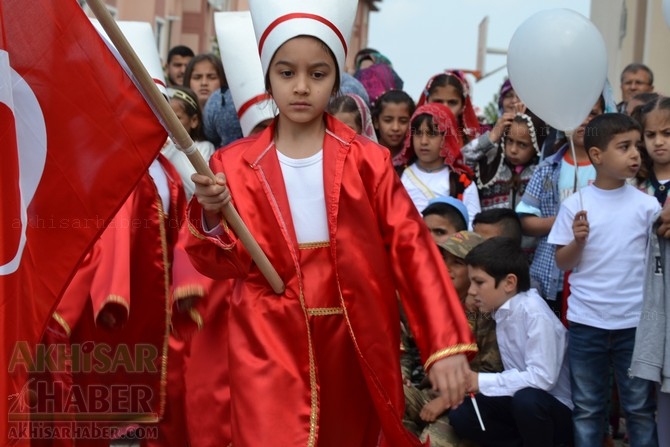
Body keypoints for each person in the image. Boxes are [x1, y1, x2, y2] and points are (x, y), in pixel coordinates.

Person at [185, 1, 477, 445]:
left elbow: (411, 247)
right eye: (286, 73)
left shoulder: (367, 161)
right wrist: (210, 214)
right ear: (268, 79)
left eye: (317, 75)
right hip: (266, 336)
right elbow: (213, 260)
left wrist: (445, 342)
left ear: (336, 81)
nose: (301, 87)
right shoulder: (233, 163)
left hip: (354, 335)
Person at [547, 113, 659, 447]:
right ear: (596, 156)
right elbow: (563, 263)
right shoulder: (575, 206)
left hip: (633, 324)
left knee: (639, 408)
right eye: (624, 147)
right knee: (587, 408)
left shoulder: (648, 206)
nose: (635, 155)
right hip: (587, 325)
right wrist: (578, 241)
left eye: (636, 146)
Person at [449, 237, 573, 446]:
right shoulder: (502, 310)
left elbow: (543, 379)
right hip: (521, 403)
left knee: (528, 400)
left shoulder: (534, 313)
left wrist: (480, 381)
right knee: (463, 413)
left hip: (552, 411)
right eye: (471, 282)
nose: (471, 291)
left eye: (479, 282)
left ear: (509, 283)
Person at [403, 231, 502, 447]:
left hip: (467, 404)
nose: (445, 267)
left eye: (456, 262)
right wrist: (402, 376)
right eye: (442, 258)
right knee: (388, 397)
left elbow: (492, 374)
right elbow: (402, 346)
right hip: (428, 392)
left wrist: (445, 401)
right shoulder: (427, 301)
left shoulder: (486, 313)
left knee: (433, 442)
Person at [515, 97, 604, 314]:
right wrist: (563, 222)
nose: (585, 121)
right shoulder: (547, 168)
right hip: (548, 278)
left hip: (595, 282)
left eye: (592, 113)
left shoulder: (609, 171)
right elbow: (526, 222)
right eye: (578, 114)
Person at [630, 96, 670, 447]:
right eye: (651, 134)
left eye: (668, 133)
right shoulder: (635, 187)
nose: (659, 142)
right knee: (648, 394)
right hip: (643, 297)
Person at [396, 102, 481, 227]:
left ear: (446, 138)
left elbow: (472, 229)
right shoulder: (396, 175)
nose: (424, 141)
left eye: (432, 134)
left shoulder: (462, 182)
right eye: (418, 134)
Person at [472, 112, 544, 211]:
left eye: (522, 145)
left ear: (537, 146)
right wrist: (491, 137)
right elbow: (463, 158)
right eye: (509, 140)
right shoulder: (491, 164)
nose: (513, 150)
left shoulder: (541, 174)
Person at [161, 86, 216, 199]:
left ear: (193, 120)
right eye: (164, 117)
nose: (168, 123)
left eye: (176, 118)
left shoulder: (205, 148)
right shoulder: (160, 149)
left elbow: (197, 187)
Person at [417, 71, 481, 145]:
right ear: (426, 102)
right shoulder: (412, 138)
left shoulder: (474, 143)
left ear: (462, 107)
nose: (445, 108)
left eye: (452, 102)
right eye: (438, 102)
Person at [372, 89, 415, 163]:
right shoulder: (366, 157)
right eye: (388, 120)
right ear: (376, 122)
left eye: (403, 121)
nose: (395, 128)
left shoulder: (415, 161)